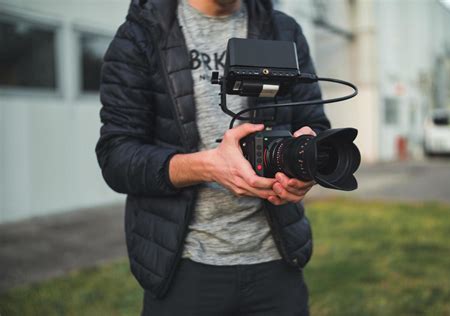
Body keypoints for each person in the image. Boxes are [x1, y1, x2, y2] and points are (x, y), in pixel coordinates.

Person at [96, 0, 330, 315]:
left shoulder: (282, 30)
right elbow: (116, 157)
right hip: (184, 268)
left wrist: (306, 167)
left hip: (277, 263)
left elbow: (313, 125)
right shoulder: (141, 34)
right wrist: (208, 167)